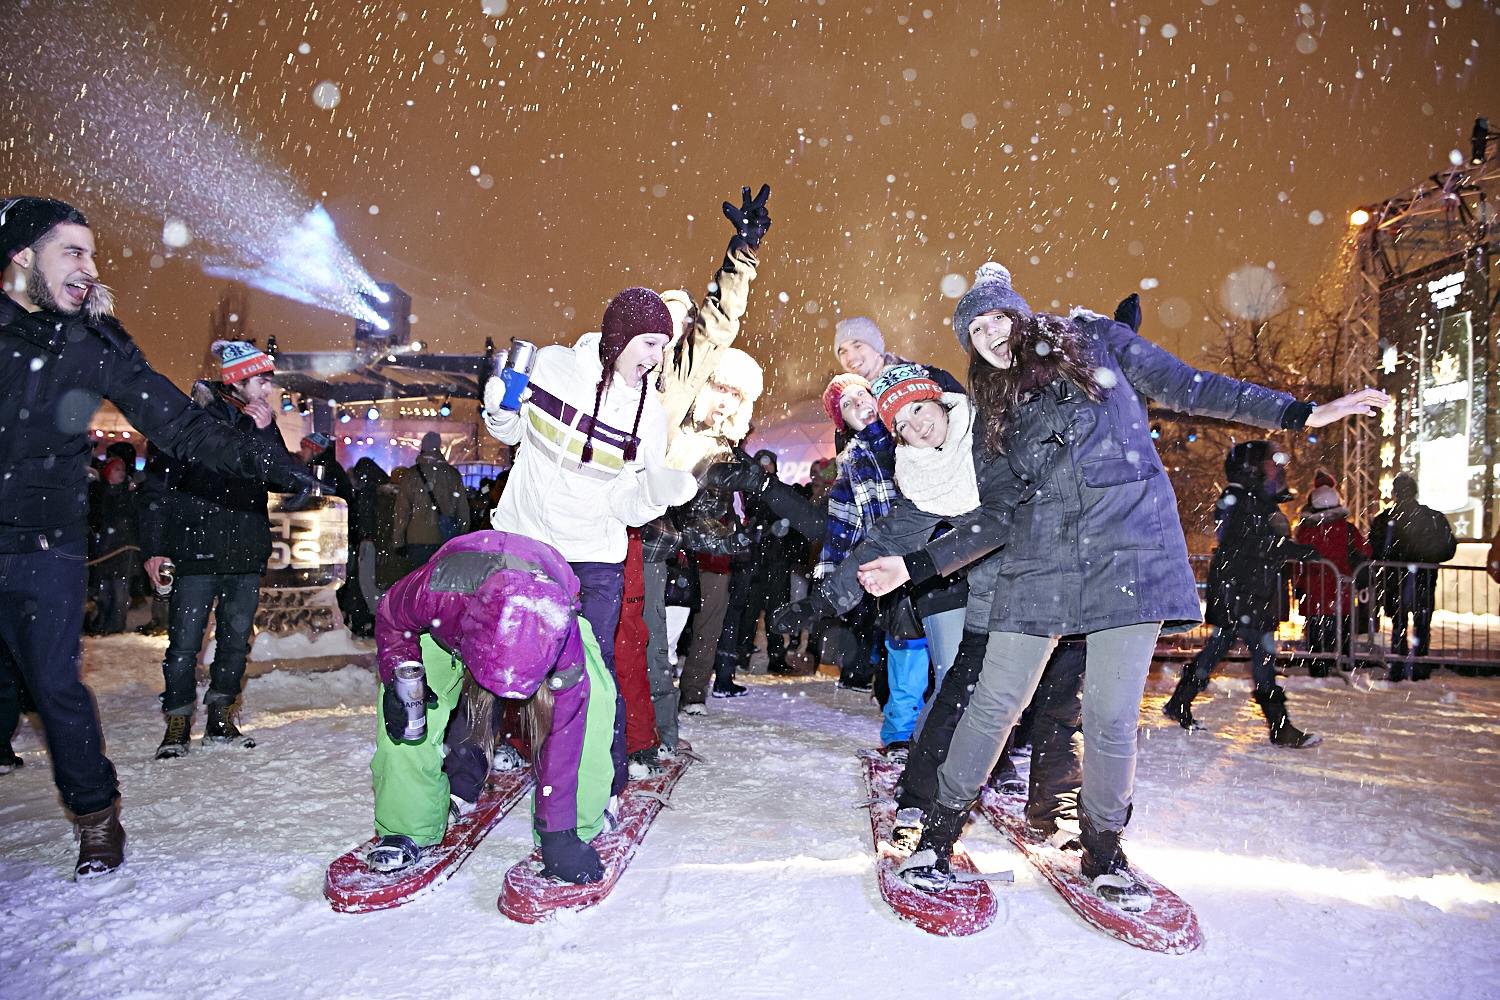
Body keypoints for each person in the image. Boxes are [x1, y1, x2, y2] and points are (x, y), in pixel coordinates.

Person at [792, 261, 1388, 907]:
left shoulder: (1095, 341)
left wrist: (1299, 412)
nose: (990, 336)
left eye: (996, 319)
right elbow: (973, 513)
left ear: (1019, 313)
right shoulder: (991, 414)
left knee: (1109, 716)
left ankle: (1104, 849)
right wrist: (874, 576)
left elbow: (1187, 385)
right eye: (974, 332)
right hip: (1038, 563)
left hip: (1124, 553)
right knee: (994, 703)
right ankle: (937, 839)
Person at [0, 196, 316, 879]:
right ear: (22, 258)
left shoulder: (95, 344)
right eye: (72, 251)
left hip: (44, 545)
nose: (88, 266)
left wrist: (278, 464)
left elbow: (183, 429)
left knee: (55, 685)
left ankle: (95, 818)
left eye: (92, 253)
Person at [482, 288, 698, 793]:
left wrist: (652, 496)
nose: (657, 357)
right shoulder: (553, 366)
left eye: (663, 346)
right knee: (502, 655)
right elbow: (512, 433)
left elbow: (625, 503)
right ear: (620, 338)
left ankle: (601, 780)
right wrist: (498, 409)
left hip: (595, 557)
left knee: (591, 671)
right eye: (649, 343)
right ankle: (468, 772)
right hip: (526, 537)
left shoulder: (651, 413)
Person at [367, 531, 616, 883]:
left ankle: (575, 826)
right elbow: (392, 616)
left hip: (545, 611)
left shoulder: (561, 633)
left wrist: (556, 832)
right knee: (406, 710)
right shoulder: (438, 592)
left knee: (595, 708)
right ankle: (406, 824)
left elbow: (566, 729)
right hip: (444, 627)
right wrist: (398, 673)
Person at [138, 340, 301, 759]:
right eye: (262, 381)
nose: (267, 390)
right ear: (239, 380)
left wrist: (266, 432)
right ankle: (177, 721)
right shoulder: (187, 421)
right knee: (184, 644)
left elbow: (284, 477)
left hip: (244, 553)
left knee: (234, 642)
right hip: (194, 552)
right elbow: (156, 489)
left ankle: (221, 717)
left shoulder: (259, 424)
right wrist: (154, 548)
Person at [1162, 442, 1323, 745]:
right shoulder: (1238, 498)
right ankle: (1279, 727)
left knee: (1220, 649)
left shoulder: (1248, 497)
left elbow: (1252, 541)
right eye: (1268, 462)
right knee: (1261, 658)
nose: (1274, 468)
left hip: (1245, 591)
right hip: (1244, 592)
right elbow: (1248, 543)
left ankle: (1179, 701)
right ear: (1252, 466)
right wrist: (1291, 549)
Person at [1370, 472, 1458, 680]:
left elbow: (1374, 549)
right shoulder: (1433, 518)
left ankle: (1398, 667)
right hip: (1423, 579)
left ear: (1395, 493)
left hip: (1395, 581)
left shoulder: (1385, 519)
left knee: (1399, 624)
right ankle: (1419, 667)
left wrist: (1388, 564)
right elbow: (1449, 547)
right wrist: (1427, 559)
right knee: (1421, 625)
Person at [1292, 473, 1371, 667]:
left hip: (1313, 588)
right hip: (1340, 587)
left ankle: (1318, 665)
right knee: (1341, 629)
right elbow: (1365, 550)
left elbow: (1297, 559)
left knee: (1316, 630)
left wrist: (1298, 584)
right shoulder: (1347, 529)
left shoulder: (1305, 530)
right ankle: (1342, 662)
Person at [391, 432, 469, 566]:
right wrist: (461, 536)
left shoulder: (411, 475)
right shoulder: (452, 475)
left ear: (422, 446)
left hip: (416, 539)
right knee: (439, 582)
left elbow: (402, 511)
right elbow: (463, 510)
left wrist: (398, 541)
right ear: (439, 446)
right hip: (445, 539)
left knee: (418, 582)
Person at [86, 456, 139, 635]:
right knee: (104, 588)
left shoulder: (129, 494)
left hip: (123, 547)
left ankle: (114, 625)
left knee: (119, 589)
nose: (121, 473)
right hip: (105, 547)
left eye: (122, 469)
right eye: (117, 469)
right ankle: (101, 622)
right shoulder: (98, 492)